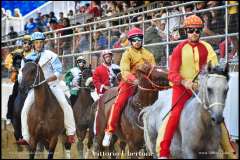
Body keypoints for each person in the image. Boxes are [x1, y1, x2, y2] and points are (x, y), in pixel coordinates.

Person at [157, 15, 237, 159]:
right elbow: (172, 74)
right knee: (174, 115)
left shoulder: (207, 47)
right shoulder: (179, 49)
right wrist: (184, 81)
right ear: (186, 31)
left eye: (197, 30)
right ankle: (163, 152)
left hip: (202, 90)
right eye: (191, 30)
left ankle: (230, 151)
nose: (194, 33)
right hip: (181, 89)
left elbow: (215, 68)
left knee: (218, 115)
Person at [17, 32, 76, 145]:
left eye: (41, 42)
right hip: (35, 89)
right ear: (33, 44)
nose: (39, 44)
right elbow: (21, 74)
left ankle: (70, 133)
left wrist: (49, 79)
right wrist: (23, 80)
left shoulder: (51, 55)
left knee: (65, 104)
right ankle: (25, 137)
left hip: (52, 85)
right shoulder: (28, 58)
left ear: (44, 43)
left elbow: (59, 71)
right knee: (24, 109)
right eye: (36, 42)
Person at [102, 27, 156, 147]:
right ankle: (109, 131)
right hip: (130, 83)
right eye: (134, 39)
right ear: (130, 41)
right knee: (118, 103)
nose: (137, 41)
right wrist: (134, 80)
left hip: (146, 85)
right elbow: (125, 71)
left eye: (139, 39)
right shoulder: (127, 54)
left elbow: (153, 70)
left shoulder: (149, 54)